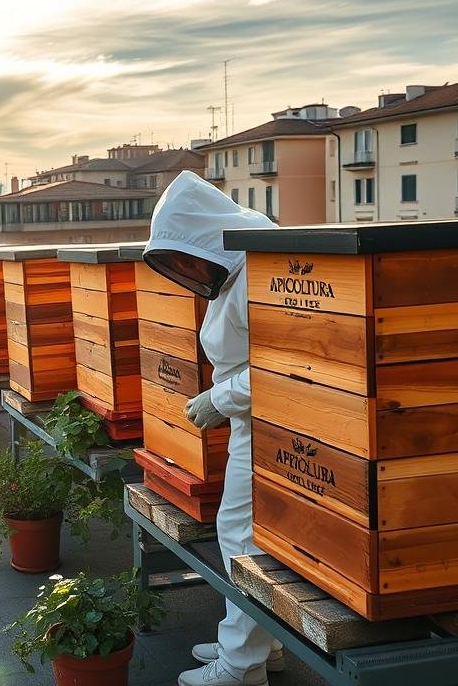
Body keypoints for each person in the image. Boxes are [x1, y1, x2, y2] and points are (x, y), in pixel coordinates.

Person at [141, 171, 284, 686]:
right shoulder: (239, 266)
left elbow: (284, 363)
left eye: (185, 256)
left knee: (241, 535)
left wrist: (220, 398)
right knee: (249, 535)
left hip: (269, 421)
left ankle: (242, 666)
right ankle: (260, 646)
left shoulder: (255, 272)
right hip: (255, 420)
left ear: (204, 237)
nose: (184, 269)